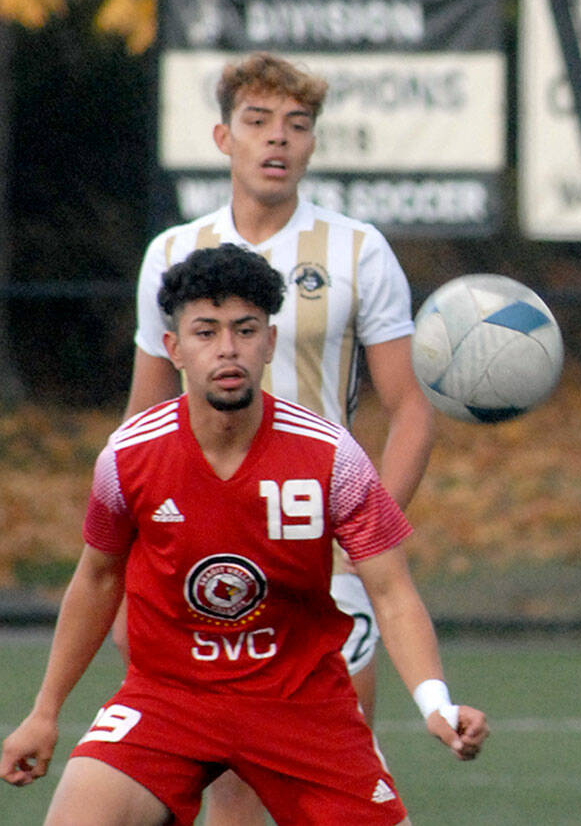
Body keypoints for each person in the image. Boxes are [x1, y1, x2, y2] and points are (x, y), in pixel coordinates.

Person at [1, 245, 486, 825]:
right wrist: (45, 711)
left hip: (300, 704)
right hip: (169, 699)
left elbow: (391, 590)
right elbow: (97, 578)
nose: (227, 348)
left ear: (271, 343)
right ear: (175, 348)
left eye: (245, 329)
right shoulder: (128, 456)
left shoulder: (332, 456)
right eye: (206, 332)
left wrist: (435, 701)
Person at [121, 51, 437, 823]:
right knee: (228, 773)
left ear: (312, 145)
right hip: (202, 549)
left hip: (317, 546)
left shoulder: (358, 251)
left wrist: (362, 541)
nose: (278, 140)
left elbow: (412, 410)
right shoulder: (171, 253)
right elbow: (140, 421)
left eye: (296, 126)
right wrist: (138, 545)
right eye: (259, 122)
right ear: (224, 137)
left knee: (333, 758)